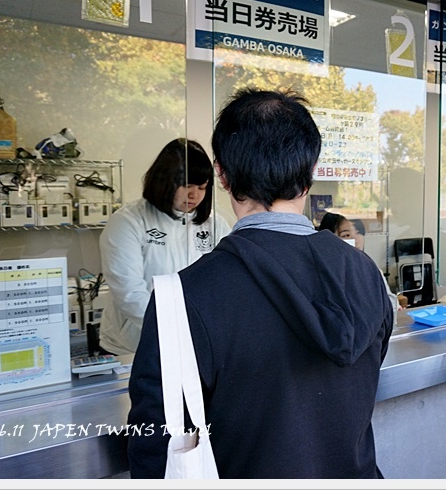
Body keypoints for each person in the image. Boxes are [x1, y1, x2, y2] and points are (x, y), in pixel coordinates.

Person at [127, 88, 394, 478]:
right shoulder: (366, 274)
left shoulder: (184, 296)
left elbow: (156, 444)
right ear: (310, 170)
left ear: (221, 174)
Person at [98, 138, 231, 355]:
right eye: (186, 186)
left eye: (202, 187)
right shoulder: (128, 222)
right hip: (134, 346)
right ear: (164, 182)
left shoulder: (215, 225)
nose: (194, 195)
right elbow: (129, 293)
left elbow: (226, 284)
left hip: (195, 345)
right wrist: (179, 330)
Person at [318, 212, 402, 312]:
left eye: (358, 233)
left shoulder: (370, 268)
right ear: (328, 239)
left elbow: (390, 302)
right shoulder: (323, 274)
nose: (356, 239)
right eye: (346, 235)